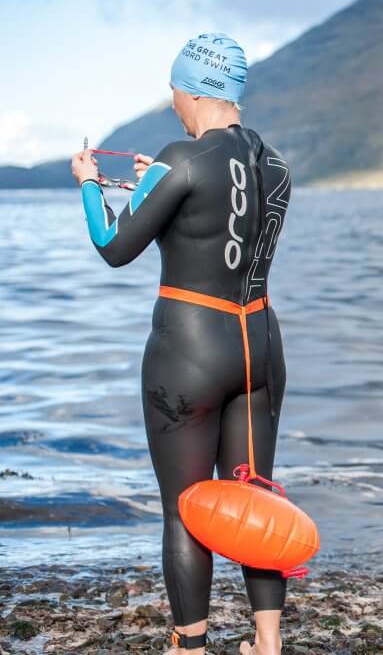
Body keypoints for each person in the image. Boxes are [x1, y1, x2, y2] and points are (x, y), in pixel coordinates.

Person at [70, 32, 293, 655]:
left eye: (175, 91)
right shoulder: (275, 163)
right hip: (260, 346)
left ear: (195, 89)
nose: (172, 104)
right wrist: (161, 181)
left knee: (186, 507)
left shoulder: (181, 159)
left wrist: (90, 183)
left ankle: (189, 646)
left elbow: (114, 247)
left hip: (188, 353)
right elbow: (224, 218)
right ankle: (267, 642)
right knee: (255, 497)